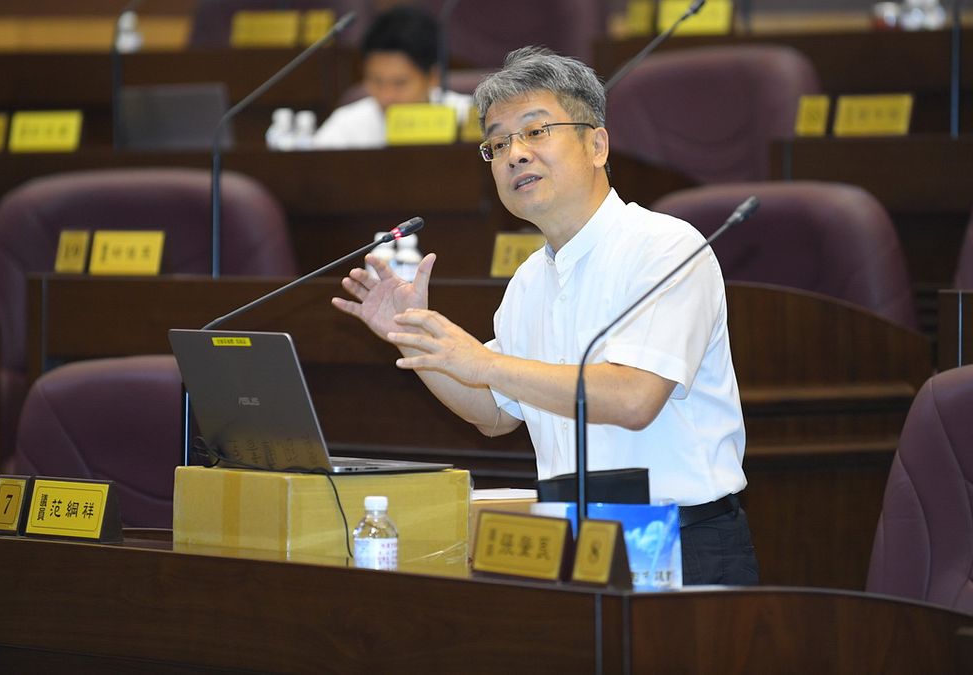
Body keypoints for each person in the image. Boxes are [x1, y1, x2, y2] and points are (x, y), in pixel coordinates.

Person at [332, 47, 758, 585]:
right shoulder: (531, 280)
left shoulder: (665, 248)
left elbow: (633, 397)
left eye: (536, 132)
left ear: (597, 143)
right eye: (498, 143)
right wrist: (411, 337)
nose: (514, 154)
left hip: (680, 543)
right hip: (573, 544)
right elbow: (494, 413)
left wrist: (484, 363)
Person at [310, 5, 472, 150]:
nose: (387, 97)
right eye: (376, 81)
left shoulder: (467, 118)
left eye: (400, 83)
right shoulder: (346, 125)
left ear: (433, 77)